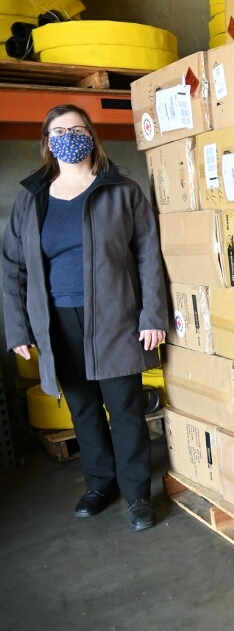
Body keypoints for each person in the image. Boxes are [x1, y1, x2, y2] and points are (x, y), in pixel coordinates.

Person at [2, 104, 168, 531]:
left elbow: (149, 255)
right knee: (83, 409)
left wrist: (153, 315)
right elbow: (12, 267)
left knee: (126, 409)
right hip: (58, 321)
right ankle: (99, 484)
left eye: (77, 128)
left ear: (91, 135)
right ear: (47, 141)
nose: (68, 136)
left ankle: (137, 495)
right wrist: (19, 327)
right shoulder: (31, 199)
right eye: (58, 130)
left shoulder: (122, 191)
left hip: (116, 318)